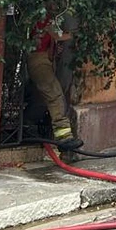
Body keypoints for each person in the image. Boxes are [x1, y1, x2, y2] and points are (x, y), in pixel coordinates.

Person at [27, 14, 82, 151]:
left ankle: (28, 125)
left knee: (43, 98)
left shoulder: (46, 17)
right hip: (38, 60)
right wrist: (76, 35)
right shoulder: (43, 18)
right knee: (54, 94)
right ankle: (64, 139)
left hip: (45, 59)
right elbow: (57, 35)